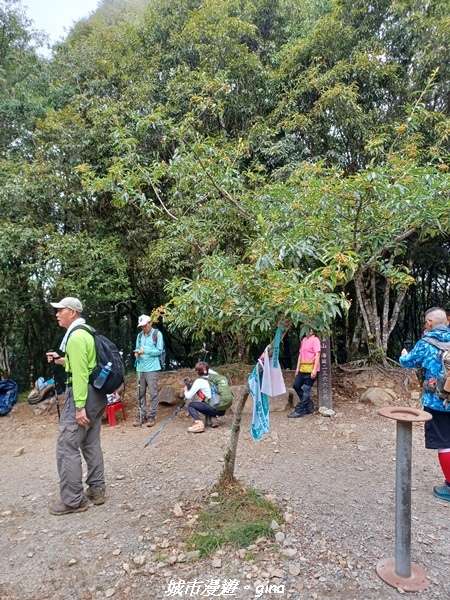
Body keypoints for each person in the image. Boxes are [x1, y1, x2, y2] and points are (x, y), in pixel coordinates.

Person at [46, 297, 108, 515]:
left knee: (67, 445)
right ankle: (96, 490)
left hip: (83, 395)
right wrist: (60, 360)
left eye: (60, 310)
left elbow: (80, 374)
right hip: (98, 394)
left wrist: (79, 406)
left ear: (71, 312)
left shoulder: (75, 337)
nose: (57, 314)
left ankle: (73, 501)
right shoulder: (88, 332)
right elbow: (81, 364)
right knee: (90, 442)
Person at [399, 307, 450, 503]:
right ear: (446, 321)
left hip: (438, 401)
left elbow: (408, 362)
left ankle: (449, 486)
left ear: (429, 323)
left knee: (445, 444)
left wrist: (404, 353)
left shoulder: (426, 343)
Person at [133, 314, 164, 427]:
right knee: (140, 393)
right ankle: (141, 416)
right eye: (141, 326)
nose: (143, 328)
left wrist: (145, 351)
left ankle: (151, 416)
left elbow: (159, 350)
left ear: (150, 323)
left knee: (153, 393)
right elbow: (137, 347)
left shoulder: (157, 334)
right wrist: (137, 353)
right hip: (140, 367)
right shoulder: (140, 336)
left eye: (145, 325)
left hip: (152, 368)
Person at [183, 362, 227, 433]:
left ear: (197, 372)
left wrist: (185, 390)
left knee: (191, 405)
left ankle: (199, 425)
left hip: (213, 408)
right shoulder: (215, 377)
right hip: (222, 409)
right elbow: (209, 371)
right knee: (206, 401)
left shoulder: (199, 381)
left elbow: (188, 396)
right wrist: (204, 368)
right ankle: (213, 419)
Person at [288, 329, 321, 418]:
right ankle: (309, 407)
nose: (309, 330)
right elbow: (300, 355)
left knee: (306, 390)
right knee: (296, 385)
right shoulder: (304, 340)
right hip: (302, 369)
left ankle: (298, 410)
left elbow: (317, 354)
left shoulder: (315, 340)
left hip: (311, 369)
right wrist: (297, 368)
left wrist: (314, 369)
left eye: (311, 328)